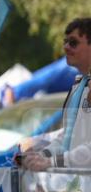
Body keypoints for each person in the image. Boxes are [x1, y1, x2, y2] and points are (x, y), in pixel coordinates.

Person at [18, 17, 91, 170]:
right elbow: (67, 139)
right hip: (78, 186)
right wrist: (38, 157)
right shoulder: (79, 85)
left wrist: (51, 162)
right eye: (65, 42)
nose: (66, 47)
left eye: (73, 42)